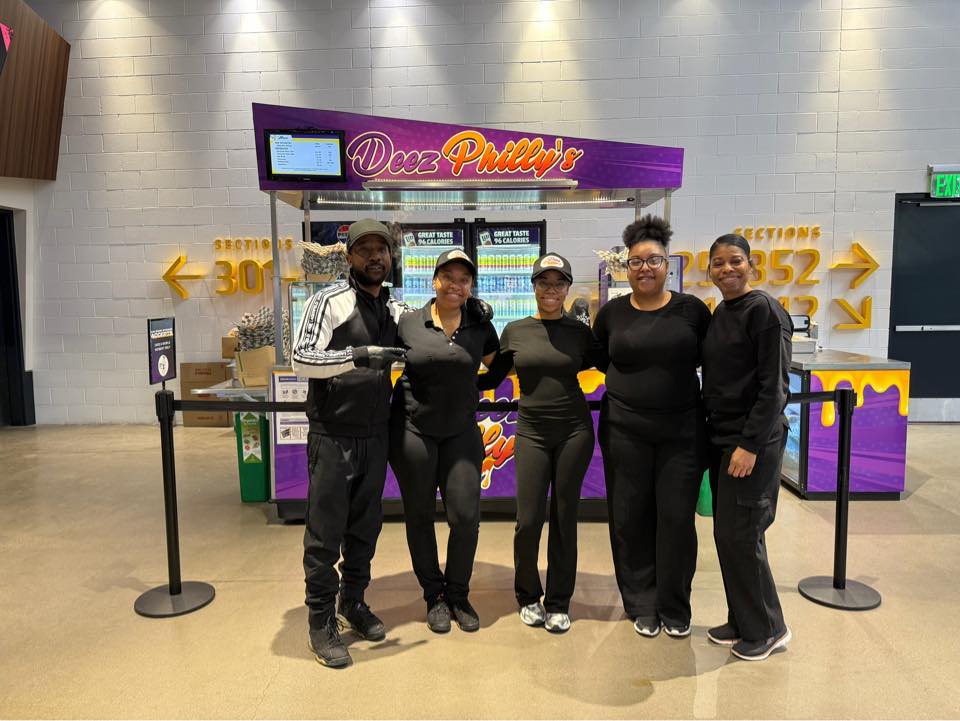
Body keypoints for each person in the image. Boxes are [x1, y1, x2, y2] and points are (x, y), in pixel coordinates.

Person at [291, 219, 409, 668]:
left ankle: (353, 602)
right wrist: (356, 356)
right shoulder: (328, 301)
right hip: (333, 434)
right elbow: (301, 358)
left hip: (375, 435)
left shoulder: (394, 307)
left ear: (391, 256)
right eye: (365, 249)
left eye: (382, 249)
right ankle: (320, 621)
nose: (375, 256)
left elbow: (429, 329)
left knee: (365, 529)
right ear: (348, 256)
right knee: (324, 534)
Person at [593, 215, 712, 639]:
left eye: (654, 260)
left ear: (667, 264)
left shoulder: (692, 311)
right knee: (631, 518)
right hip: (624, 431)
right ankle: (641, 602)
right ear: (626, 267)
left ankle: (675, 604)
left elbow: (710, 360)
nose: (645, 268)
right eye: (637, 262)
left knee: (676, 519)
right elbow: (601, 358)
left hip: (682, 432)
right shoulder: (612, 314)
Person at [478, 253, 605, 633]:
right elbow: (492, 377)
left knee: (564, 517)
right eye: (544, 283)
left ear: (567, 288)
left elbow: (614, 364)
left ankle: (559, 601)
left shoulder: (580, 333)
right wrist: (445, 373)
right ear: (533, 287)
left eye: (559, 283)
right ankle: (528, 595)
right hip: (531, 431)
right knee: (529, 518)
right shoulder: (515, 330)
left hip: (574, 432)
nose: (551, 290)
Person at [389, 249, 499, 634]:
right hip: (413, 430)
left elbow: (498, 366)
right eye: (449, 277)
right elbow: (382, 360)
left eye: (464, 279)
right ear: (435, 280)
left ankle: (458, 593)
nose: (456, 285)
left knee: (465, 517)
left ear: (471, 286)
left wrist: (471, 385)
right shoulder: (409, 323)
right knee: (419, 515)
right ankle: (434, 595)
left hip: (461, 432)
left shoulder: (479, 324)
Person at [701, 233, 793, 662]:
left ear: (751, 265)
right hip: (724, 440)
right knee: (727, 535)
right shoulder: (722, 311)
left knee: (743, 534)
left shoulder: (766, 312)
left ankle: (769, 628)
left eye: (735, 261)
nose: (727, 269)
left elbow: (774, 389)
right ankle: (741, 619)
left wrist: (750, 444)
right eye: (718, 263)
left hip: (751, 444)